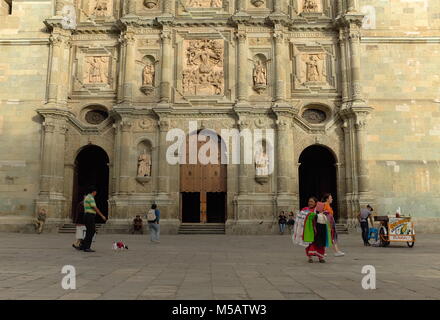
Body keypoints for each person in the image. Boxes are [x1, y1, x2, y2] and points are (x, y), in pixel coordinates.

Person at [80, 186, 107, 252]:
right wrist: (102, 216)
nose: (96, 193)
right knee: (91, 231)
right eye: (96, 192)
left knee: (90, 231)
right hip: (89, 216)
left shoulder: (87, 197)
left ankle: (83, 245)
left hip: (87, 216)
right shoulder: (90, 198)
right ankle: (86, 247)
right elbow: (95, 208)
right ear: (94, 192)